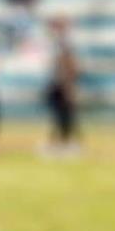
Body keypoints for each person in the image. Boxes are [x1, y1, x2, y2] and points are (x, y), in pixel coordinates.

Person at [41, 15, 81, 156]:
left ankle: (66, 143)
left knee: (64, 114)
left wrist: (68, 85)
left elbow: (68, 64)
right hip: (58, 82)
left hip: (62, 83)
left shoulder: (64, 43)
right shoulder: (58, 42)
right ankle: (61, 142)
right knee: (60, 115)